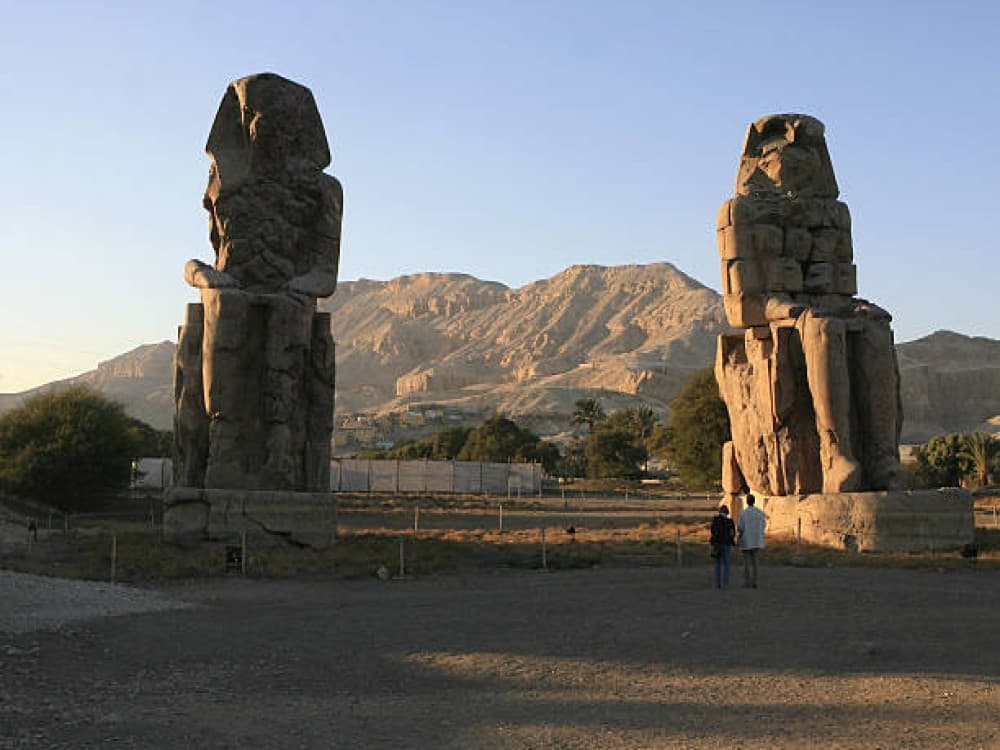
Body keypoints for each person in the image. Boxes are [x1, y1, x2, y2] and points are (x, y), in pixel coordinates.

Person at [737, 493, 766, 588]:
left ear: (746, 502)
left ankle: (747, 582)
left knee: (746, 562)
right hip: (757, 539)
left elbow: (740, 527)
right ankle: (754, 581)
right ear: (754, 501)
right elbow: (764, 525)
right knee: (755, 562)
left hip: (746, 539)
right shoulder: (760, 513)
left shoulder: (743, 513)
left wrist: (739, 537)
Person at [709, 505, 736, 588]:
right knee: (726, 565)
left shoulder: (715, 520)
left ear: (720, 512)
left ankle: (717, 583)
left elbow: (712, 531)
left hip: (717, 544)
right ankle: (725, 584)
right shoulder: (730, 522)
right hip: (726, 544)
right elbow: (732, 534)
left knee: (717, 564)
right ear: (727, 513)